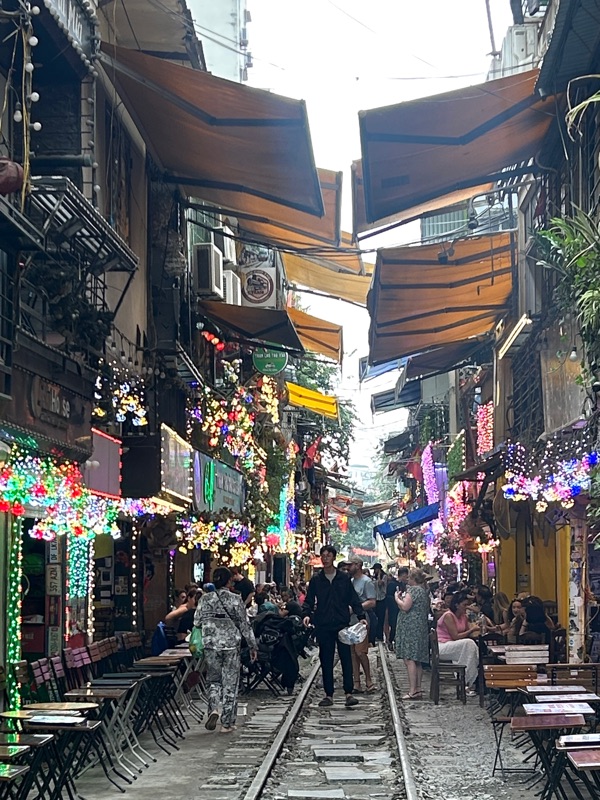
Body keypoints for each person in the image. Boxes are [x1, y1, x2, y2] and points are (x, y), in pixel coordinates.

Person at [301, 545, 366, 707]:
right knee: (326, 658)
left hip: (341, 623)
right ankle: (328, 694)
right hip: (323, 624)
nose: (325, 558)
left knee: (346, 658)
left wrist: (361, 616)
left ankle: (348, 692)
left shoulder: (343, 578)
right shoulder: (316, 579)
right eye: (323, 556)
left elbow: (353, 598)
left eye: (328, 555)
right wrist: (306, 614)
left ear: (334, 557)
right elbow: (309, 600)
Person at [195, 566, 257, 733]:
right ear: (229, 581)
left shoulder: (205, 599)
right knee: (230, 683)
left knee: (213, 680)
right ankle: (227, 723)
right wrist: (252, 645)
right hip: (230, 645)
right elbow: (244, 625)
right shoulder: (235, 599)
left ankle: (213, 708)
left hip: (210, 644)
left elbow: (197, 621)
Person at [395, 568, 431, 699]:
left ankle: (412, 690)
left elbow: (405, 606)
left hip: (411, 628)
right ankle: (418, 688)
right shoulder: (424, 591)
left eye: (409, 578)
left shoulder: (413, 590)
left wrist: (397, 598)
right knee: (417, 659)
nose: (407, 580)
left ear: (414, 579)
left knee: (409, 658)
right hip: (420, 627)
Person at [436, 590, 481, 694]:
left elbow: (468, 633)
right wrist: (471, 630)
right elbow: (455, 636)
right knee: (469, 644)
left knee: (469, 649)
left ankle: (465, 681)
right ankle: (466, 681)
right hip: (443, 645)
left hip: (455, 645)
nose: (466, 607)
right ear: (457, 605)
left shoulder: (463, 616)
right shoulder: (448, 616)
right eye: (464, 605)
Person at [348, 556, 376, 692]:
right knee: (353, 652)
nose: (348, 568)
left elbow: (372, 602)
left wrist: (356, 608)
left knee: (360, 651)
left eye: (351, 565)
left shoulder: (367, 581)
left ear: (358, 565)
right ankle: (356, 682)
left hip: (362, 619)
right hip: (350, 621)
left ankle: (368, 679)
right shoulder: (350, 581)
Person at [385, 567, 404, 649]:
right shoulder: (392, 584)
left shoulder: (402, 584)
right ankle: (390, 640)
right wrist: (396, 599)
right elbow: (388, 597)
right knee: (394, 625)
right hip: (393, 608)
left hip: (401, 607)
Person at [372, 563, 388, 642]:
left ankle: (380, 635)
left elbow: (380, 583)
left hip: (382, 599)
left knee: (381, 618)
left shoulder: (384, 576)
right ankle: (375, 634)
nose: (374, 571)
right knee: (375, 618)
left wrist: (379, 575)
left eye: (376, 569)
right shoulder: (373, 577)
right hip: (375, 599)